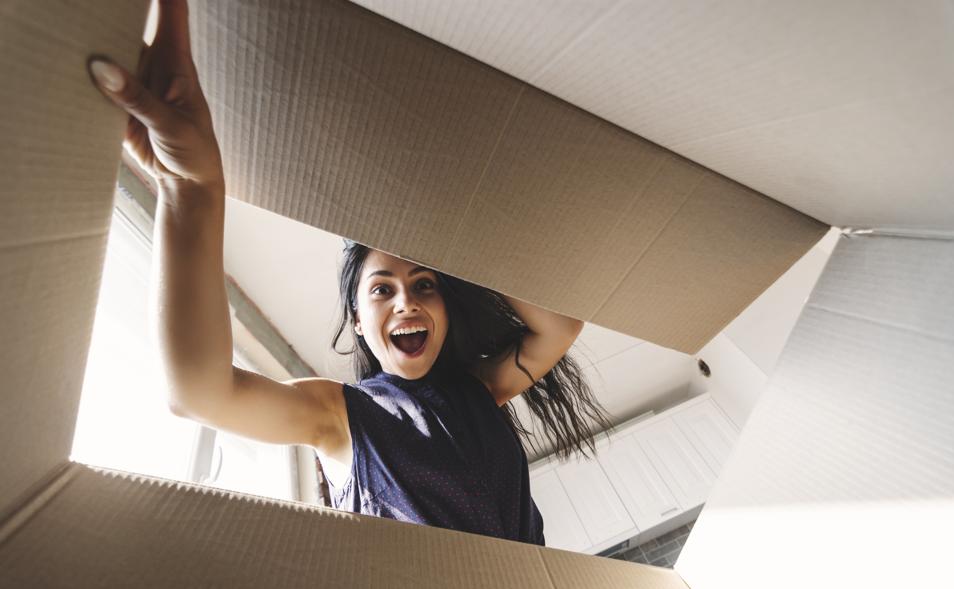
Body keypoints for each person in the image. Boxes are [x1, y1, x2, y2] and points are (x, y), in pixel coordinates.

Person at [87, 0, 610, 546]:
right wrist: (190, 188)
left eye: (424, 284)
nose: (406, 301)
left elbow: (560, 327)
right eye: (382, 289)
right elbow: (200, 393)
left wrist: (458, 233)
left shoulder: (479, 390)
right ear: (358, 319)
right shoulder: (337, 414)